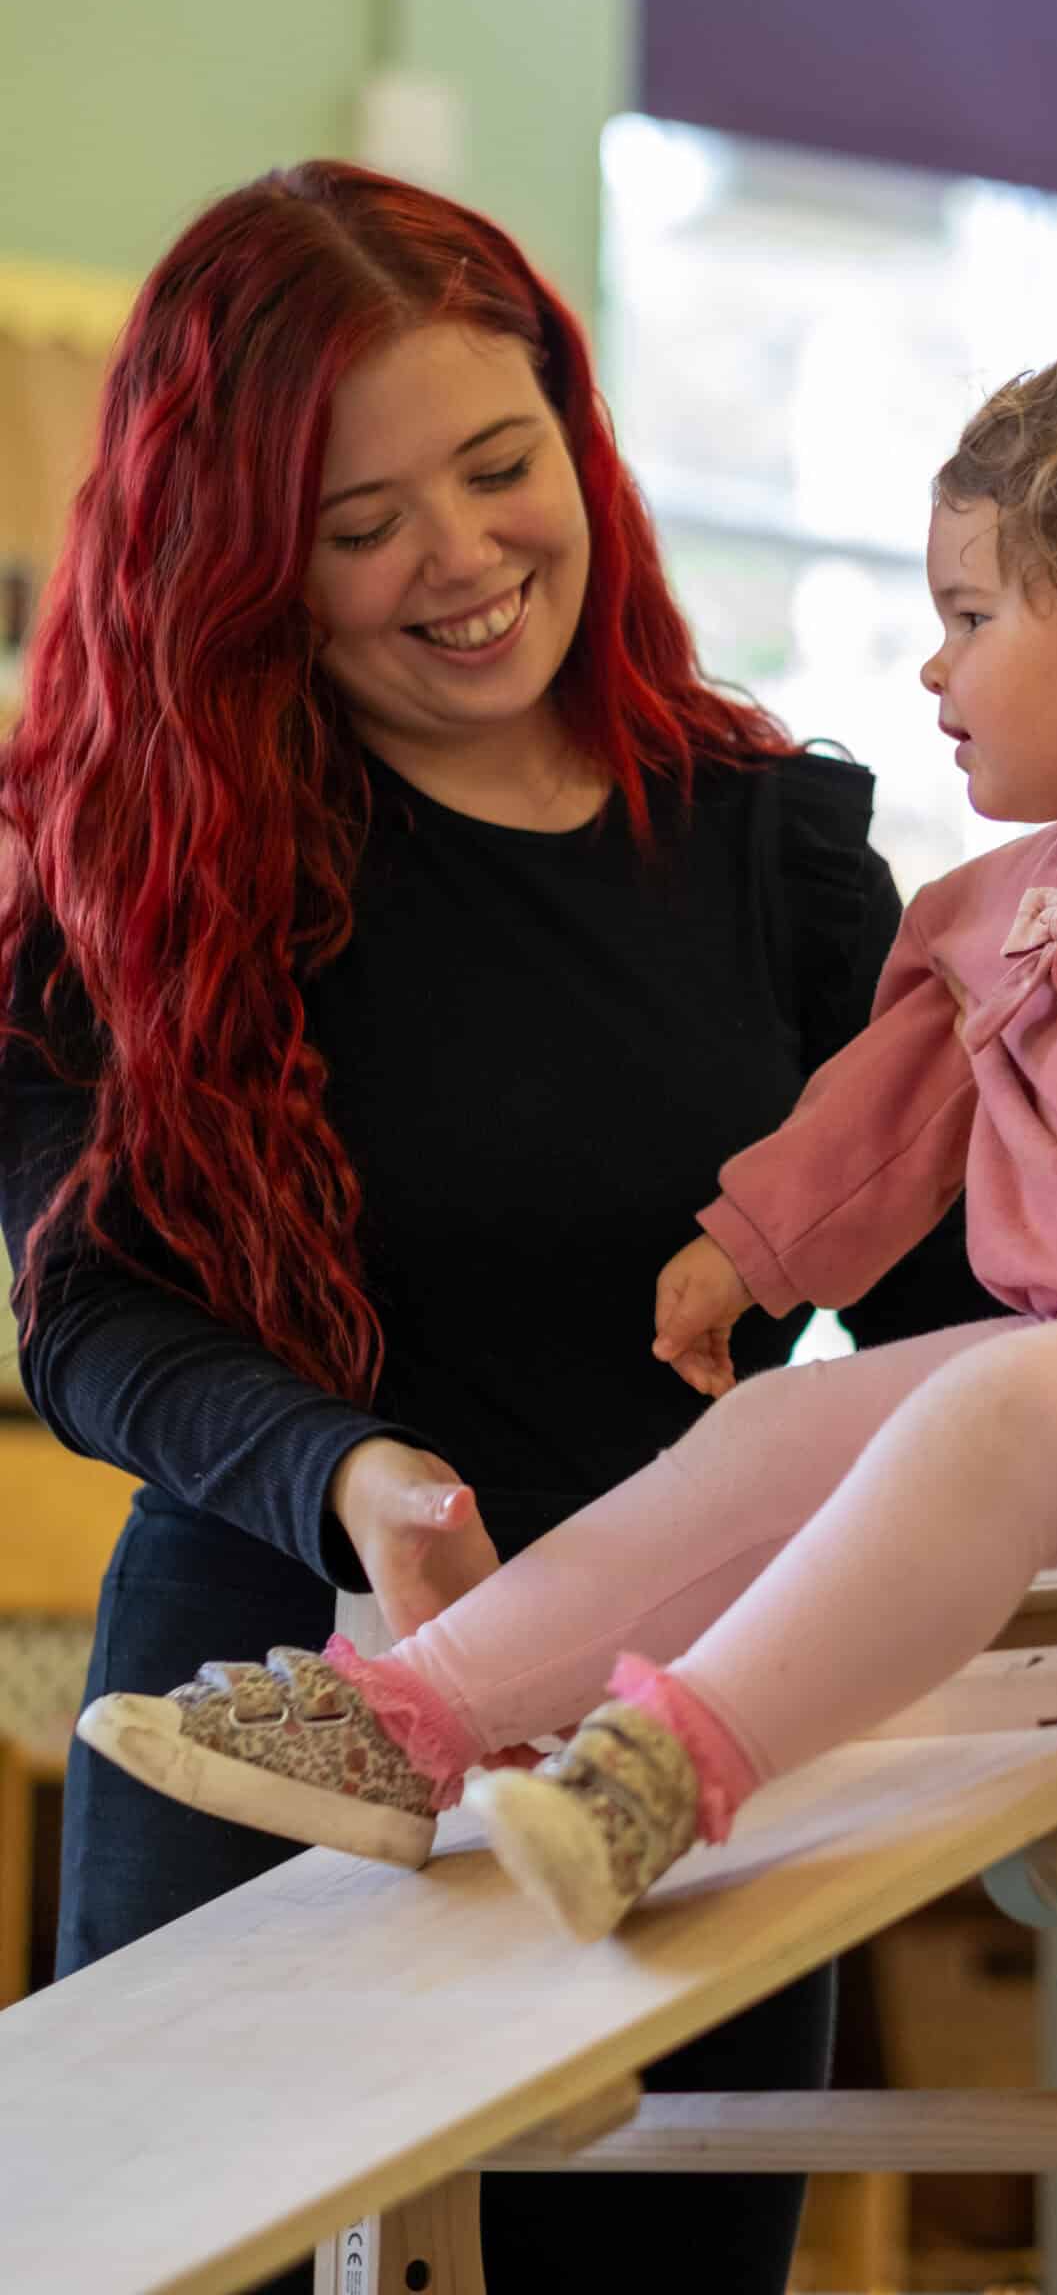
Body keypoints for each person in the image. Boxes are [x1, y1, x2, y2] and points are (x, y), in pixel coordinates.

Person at [81, 333, 1057, 1953]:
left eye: (972, 617)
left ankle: (665, 1770)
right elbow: (889, 1112)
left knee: (1008, 1396)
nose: (937, 672)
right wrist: (754, 1248)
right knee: (774, 1438)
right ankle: (413, 1720)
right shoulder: (1006, 900)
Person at [0, 158, 1005, 2295]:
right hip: (272, 1712)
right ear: (248, 560)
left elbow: (963, 1326)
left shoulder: (782, 864)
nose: (460, 560)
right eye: (363, 526)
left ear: (578, 437)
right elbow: (90, 1315)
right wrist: (355, 1472)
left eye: (498, 463)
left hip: (679, 1750)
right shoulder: (132, 873)